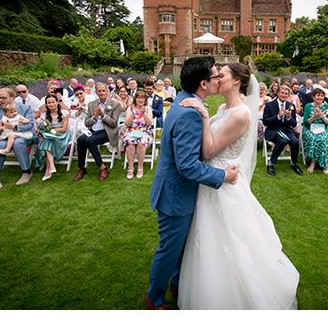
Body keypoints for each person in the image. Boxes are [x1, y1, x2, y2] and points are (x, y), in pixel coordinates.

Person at [177, 63, 299, 309]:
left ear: (236, 81)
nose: (216, 78)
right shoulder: (223, 107)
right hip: (213, 176)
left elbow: (210, 149)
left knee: (233, 240)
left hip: (224, 180)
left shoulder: (242, 114)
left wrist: (202, 115)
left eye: (221, 75)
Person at [146, 56, 239, 310]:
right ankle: (154, 299)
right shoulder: (190, 113)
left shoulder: (185, 101)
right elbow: (186, 165)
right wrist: (222, 176)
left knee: (180, 248)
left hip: (176, 192)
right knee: (169, 250)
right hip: (175, 195)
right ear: (203, 84)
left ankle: (178, 285)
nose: (218, 80)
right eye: (215, 76)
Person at [73, 83, 122, 181]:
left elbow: (113, 123)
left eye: (103, 90)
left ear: (107, 91)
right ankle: (82, 168)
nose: (101, 93)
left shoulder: (115, 104)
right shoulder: (92, 104)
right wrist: (94, 117)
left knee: (90, 140)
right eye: (99, 91)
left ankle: (102, 167)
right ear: (96, 92)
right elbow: (87, 123)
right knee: (81, 139)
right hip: (93, 130)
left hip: (107, 131)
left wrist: (103, 115)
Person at [0, 88, 35, 190]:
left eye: (4, 97)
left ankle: (26, 172)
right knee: (0, 145)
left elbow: (31, 125)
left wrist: (14, 127)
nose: (1, 100)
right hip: (5, 136)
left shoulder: (25, 108)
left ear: (12, 97)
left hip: (23, 135)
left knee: (17, 143)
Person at [262, 84, 304, 176]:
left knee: (295, 142)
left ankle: (294, 163)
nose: (284, 95)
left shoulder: (290, 105)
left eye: (286, 93)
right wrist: (278, 116)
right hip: (273, 130)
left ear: (288, 95)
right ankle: (271, 163)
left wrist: (289, 117)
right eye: (282, 93)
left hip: (286, 130)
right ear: (278, 93)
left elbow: (293, 124)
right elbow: (265, 122)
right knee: (282, 141)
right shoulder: (269, 105)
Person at [34, 94, 71, 181]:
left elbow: (64, 129)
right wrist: (44, 130)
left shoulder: (64, 113)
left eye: (53, 102)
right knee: (47, 140)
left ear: (57, 102)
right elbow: (43, 127)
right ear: (46, 104)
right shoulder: (44, 115)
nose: (51, 104)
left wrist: (50, 131)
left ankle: (49, 168)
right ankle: (51, 167)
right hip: (49, 135)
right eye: (49, 103)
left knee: (46, 140)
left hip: (61, 135)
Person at [302, 88, 328, 175]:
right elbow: (305, 123)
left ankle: (325, 164)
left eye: (322, 96)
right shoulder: (308, 106)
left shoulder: (327, 107)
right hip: (310, 128)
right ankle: (313, 162)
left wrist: (322, 116)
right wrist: (314, 117)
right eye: (318, 95)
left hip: (323, 128)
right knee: (312, 138)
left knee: (323, 139)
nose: (320, 97)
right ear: (313, 97)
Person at [122, 90, 154, 179]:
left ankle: (140, 167)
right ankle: (130, 167)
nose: (141, 100)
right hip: (131, 130)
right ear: (135, 99)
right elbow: (126, 124)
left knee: (141, 143)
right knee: (130, 143)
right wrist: (132, 116)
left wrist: (143, 114)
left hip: (145, 131)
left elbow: (149, 123)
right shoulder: (130, 108)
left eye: (143, 98)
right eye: (139, 98)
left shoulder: (148, 108)